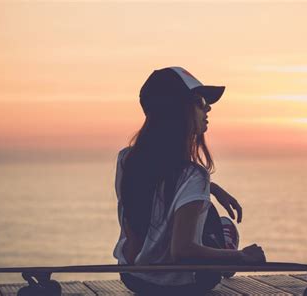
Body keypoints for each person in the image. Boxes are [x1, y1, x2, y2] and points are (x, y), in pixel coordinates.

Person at [113, 67, 266, 295]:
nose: (208, 108)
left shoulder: (127, 159)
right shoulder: (194, 175)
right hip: (185, 284)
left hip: (134, 278)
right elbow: (182, 251)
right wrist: (241, 256)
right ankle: (226, 241)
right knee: (220, 221)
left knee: (200, 207)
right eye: (200, 101)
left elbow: (157, 186)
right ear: (176, 109)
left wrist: (211, 189)